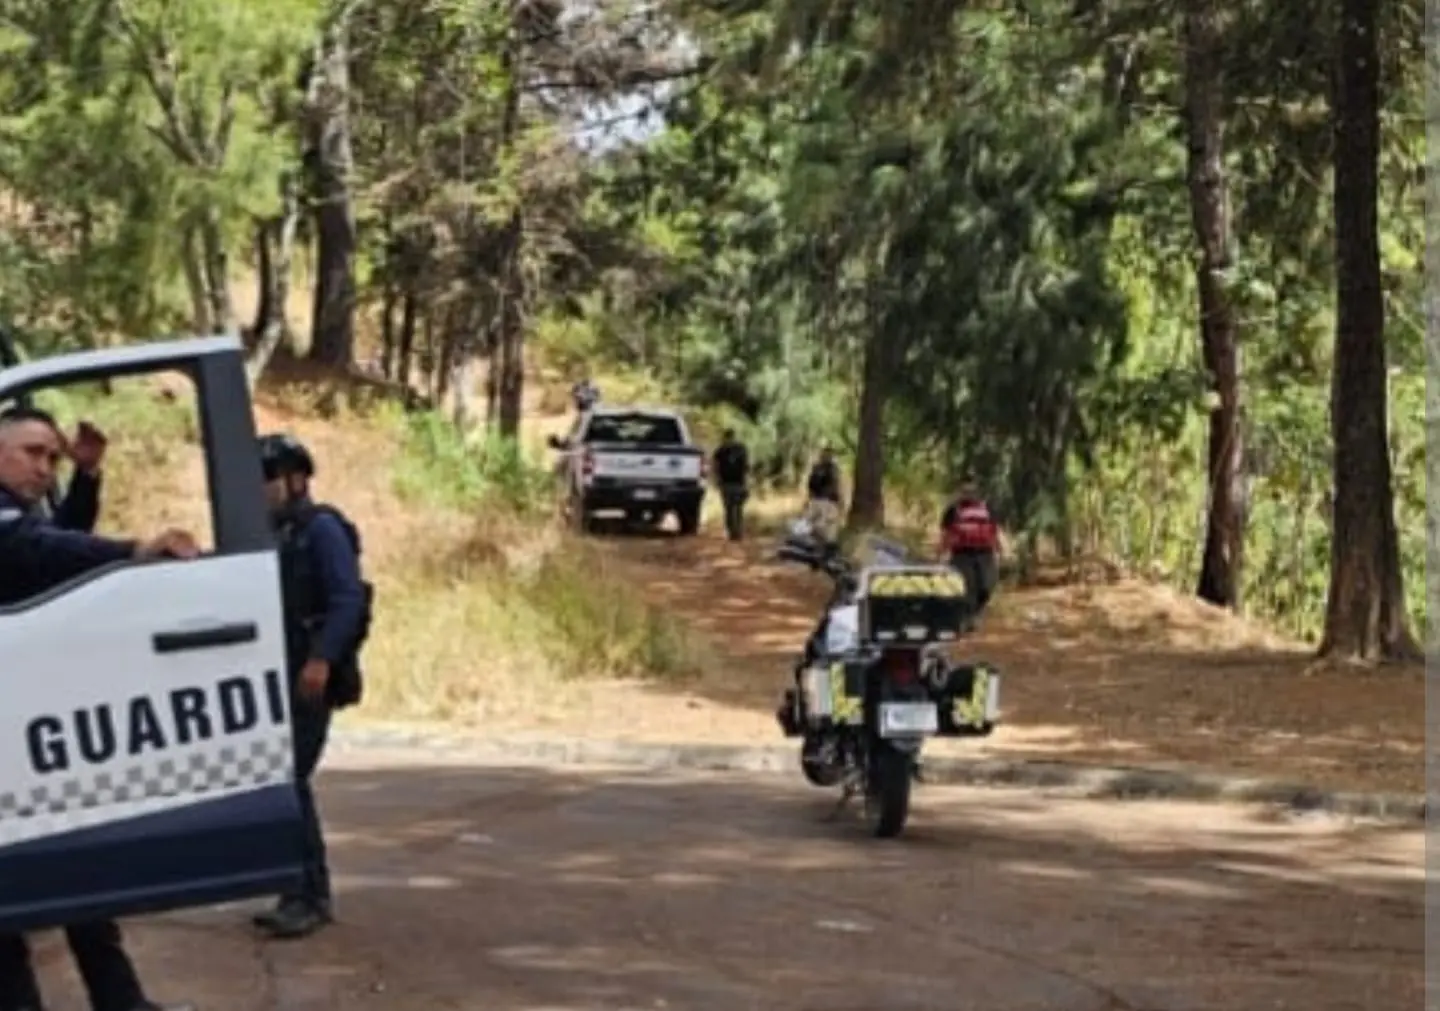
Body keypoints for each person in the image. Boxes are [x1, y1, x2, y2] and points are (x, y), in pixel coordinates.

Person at [0, 405, 197, 1011]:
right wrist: (133, 551)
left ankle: (122, 1001)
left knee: (75, 867)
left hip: (33, 721)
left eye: (51, 457)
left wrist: (85, 477)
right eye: (33, 452)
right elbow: (37, 551)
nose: (43, 467)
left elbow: (55, 538)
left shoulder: (23, 513)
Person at [250, 433, 367, 941]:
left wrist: (322, 658)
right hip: (279, 675)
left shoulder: (321, 531)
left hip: (309, 675)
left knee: (291, 782)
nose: (261, 490)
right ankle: (296, 888)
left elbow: (348, 600)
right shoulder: (275, 535)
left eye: (268, 479)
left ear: (295, 480)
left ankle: (309, 896)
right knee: (281, 782)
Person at [939, 481, 1001, 615]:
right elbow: (946, 534)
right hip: (962, 554)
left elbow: (994, 530)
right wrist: (942, 553)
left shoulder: (987, 509)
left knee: (985, 587)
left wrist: (998, 550)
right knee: (968, 587)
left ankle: (975, 611)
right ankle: (969, 617)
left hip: (984, 552)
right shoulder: (953, 510)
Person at [711, 429, 749, 541]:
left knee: (735, 508)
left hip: (734, 483)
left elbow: (746, 466)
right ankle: (734, 532)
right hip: (731, 483)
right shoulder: (726, 450)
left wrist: (717, 479)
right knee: (732, 508)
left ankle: (736, 532)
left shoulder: (723, 450)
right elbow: (716, 466)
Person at [802, 447, 843, 547]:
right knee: (828, 527)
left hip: (817, 500)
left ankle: (815, 546)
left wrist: (809, 499)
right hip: (828, 501)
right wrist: (840, 500)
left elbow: (810, 485)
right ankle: (824, 548)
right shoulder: (833, 469)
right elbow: (835, 485)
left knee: (814, 525)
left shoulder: (816, 468)